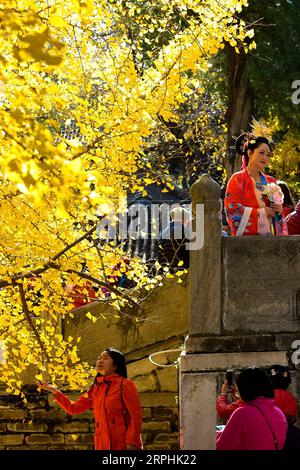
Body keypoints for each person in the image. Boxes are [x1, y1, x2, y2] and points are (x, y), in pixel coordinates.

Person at [37, 348, 143, 450]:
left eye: (105, 358)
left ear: (115, 365)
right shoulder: (95, 389)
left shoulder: (125, 384)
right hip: (101, 444)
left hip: (122, 444)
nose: (100, 361)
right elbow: (74, 408)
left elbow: (135, 417)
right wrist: (55, 391)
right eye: (99, 358)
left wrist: (131, 444)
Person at [225, 133, 288, 236]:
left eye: (268, 154)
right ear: (250, 153)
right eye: (261, 152)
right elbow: (232, 209)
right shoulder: (237, 179)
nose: (265, 157)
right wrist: (261, 212)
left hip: (271, 239)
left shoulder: (271, 180)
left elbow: (279, 214)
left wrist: (279, 211)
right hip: (248, 241)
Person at [216, 367, 287, 450]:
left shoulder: (242, 414)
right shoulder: (279, 413)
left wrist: (219, 434)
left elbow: (222, 447)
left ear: (244, 389)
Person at [268, 365, 300, 450]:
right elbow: (293, 418)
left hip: (271, 431)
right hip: (289, 430)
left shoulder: (267, 396)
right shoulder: (290, 397)